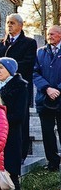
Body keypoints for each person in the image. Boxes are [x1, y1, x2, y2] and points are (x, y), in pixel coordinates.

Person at [0, 13, 37, 163]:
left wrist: (9, 71)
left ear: (20, 26)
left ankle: (21, 153)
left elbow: (28, 63)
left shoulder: (29, 43)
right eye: (7, 22)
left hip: (18, 87)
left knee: (20, 120)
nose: (9, 25)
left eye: (12, 23)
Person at [0, 57, 27, 190]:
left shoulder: (20, 86)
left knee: (10, 171)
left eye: (1, 68)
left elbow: (19, 115)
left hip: (11, 134)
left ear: (10, 70)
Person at [33, 25, 61, 171]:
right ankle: (52, 162)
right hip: (45, 99)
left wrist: (57, 89)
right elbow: (35, 73)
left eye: (52, 34)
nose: (49, 36)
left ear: (60, 35)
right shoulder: (40, 52)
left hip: (60, 98)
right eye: (48, 34)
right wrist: (47, 88)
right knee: (47, 132)